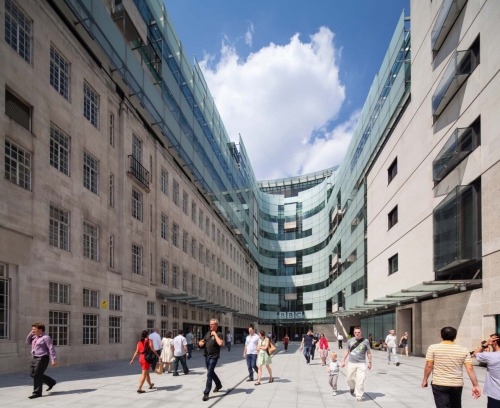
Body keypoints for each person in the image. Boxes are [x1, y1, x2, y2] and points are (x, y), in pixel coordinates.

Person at [422, 326, 481, 407]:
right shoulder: (463, 350)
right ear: (455, 336)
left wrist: (425, 380)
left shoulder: (433, 348)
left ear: (441, 336)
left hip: (439, 383)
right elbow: (470, 368)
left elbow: (429, 366)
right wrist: (475, 385)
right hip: (456, 384)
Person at [26, 323, 57, 399]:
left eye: (34, 329)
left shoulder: (46, 338)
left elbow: (51, 349)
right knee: (32, 374)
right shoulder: (34, 337)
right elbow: (27, 342)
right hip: (34, 357)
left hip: (43, 358)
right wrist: (31, 333)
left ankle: (37, 393)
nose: (32, 331)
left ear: (40, 330)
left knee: (37, 374)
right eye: (32, 329)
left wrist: (53, 359)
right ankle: (51, 382)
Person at [340, 326, 372, 402]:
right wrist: (343, 360)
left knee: (360, 380)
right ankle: (352, 387)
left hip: (361, 363)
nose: (357, 334)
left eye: (358, 332)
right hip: (351, 363)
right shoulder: (350, 341)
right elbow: (346, 351)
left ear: (361, 332)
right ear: (353, 333)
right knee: (349, 379)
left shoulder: (366, 341)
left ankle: (359, 396)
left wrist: (370, 362)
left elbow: (369, 353)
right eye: (355, 332)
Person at [199, 318, 223, 402]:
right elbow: (203, 340)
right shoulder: (207, 333)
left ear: (216, 325)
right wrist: (200, 343)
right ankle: (219, 385)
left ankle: (206, 393)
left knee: (209, 374)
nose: (210, 326)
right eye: (210, 324)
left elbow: (220, 343)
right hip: (206, 356)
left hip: (214, 356)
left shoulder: (219, 334)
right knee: (211, 372)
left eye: (212, 324)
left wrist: (215, 335)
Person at [473, 333, 500, 407]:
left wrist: (486, 343)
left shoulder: (490, 356)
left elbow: (475, 353)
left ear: (494, 342)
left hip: (495, 394)